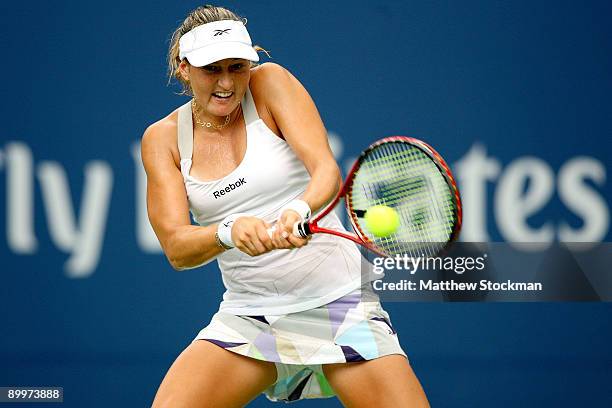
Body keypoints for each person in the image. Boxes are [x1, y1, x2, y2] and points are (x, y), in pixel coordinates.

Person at [143, 5, 430, 407]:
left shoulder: (271, 83)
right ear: (183, 67)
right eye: (211, 69)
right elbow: (176, 246)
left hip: (337, 302)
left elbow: (325, 170)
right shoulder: (163, 140)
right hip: (252, 314)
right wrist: (227, 232)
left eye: (237, 67)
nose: (226, 83)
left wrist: (298, 209)